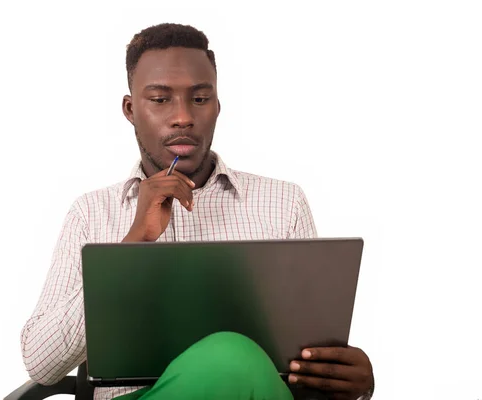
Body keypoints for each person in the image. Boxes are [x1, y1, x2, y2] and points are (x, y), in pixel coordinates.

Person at [20, 23, 375, 400]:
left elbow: (305, 364)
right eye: (160, 100)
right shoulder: (91, 213)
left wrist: (350, 382)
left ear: (217, 107)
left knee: (234, 361)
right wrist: (134, 242)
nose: (183, 117)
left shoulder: (284, 203)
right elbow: (41, 363)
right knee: (231, 356)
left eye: (200, 100)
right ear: (130, 109)